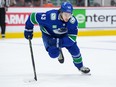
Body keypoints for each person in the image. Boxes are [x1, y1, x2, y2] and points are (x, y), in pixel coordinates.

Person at [24, 2, 90, 74]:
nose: (67, 17)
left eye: (69, 15)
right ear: (60, 12)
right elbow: (33, 17)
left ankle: (80, 67)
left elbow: (71, 39)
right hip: (48, 36)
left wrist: (58, 42)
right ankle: (58, 52)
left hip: (63, 36)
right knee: (53, 53)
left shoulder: (72, 22)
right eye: (65, 14)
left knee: (75, 50)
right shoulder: (49, 16)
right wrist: (28, 29)